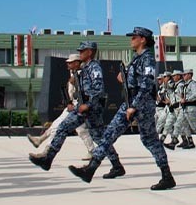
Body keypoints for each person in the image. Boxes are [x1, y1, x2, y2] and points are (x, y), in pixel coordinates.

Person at [69, 27, 175, 190]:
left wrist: (133, 106)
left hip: (140, 103)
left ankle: (167, 176)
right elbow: (134, 80)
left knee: (147, 139)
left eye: (134, 37)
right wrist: (124, 77)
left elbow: (147, 85)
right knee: (114, 134)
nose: (131, 39)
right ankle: (91, 169)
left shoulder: (147, 59)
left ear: (143, 40)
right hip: (131, 101)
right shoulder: (136, 58)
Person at [29, 41, 124, 177]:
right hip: (86, 107)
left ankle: (48, 158)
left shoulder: (94, 67)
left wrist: (88, 105)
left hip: (90, 108)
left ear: (90, 52)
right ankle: (117, 166)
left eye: (82, 51)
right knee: (99, 137)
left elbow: (98, 89)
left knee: (63, 127)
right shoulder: (85, 68)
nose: (80, 53)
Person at [28, 54, 95, 160]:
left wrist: (77, 82)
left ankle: (46, 151)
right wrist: (69, 102)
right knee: (79, 129)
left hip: (79, 106)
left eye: (70, 62)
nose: (67, 64)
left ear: (77, 63)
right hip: (73, 105)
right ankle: (92, 151)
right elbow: (70, 91)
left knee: (59, 127)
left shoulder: (83, 73)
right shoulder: (73, 73)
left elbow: (87, 90)